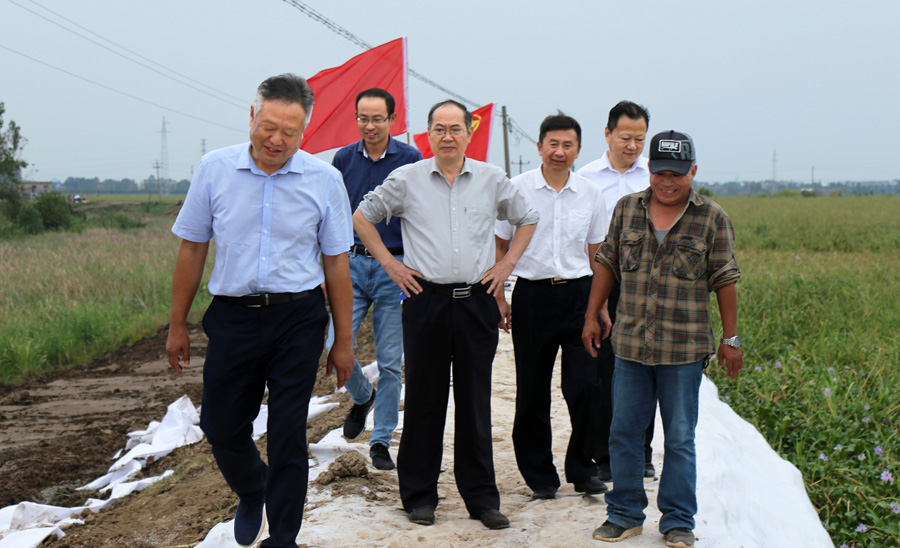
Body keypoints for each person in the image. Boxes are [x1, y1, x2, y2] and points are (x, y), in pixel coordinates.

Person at [165, 74, 355, 548]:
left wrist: (344, 341)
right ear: (251, 116)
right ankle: (253, 489)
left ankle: (283, 539)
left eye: (289, 132)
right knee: (221, 427)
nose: (276, 140)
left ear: (304, 130)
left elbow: (336, 262)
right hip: (233, 317)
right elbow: (192, 248)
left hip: (298, 318)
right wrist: (176, 324)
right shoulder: (214, 169)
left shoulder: (324, 180)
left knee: (288, 431)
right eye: (268, 127)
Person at [353, 100, 538, 530]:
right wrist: (391, 265)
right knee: (424, 400)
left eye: (456, 128)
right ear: (428, 134)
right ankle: (419, 497)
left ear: (469, 133)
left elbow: (528, 218)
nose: (448, 136)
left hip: (476, 301)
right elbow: (362, 218)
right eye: (439, 128)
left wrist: (507, 265)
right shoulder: (407, 179)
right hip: (425, 300)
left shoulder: (492, 179)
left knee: (475, 402)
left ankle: (481, 498)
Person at [582, 130, 743, 548]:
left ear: (693, 171)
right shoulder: (626, 209)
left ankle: (677, 520)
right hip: (631, 345)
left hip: (683, 350)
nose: (667, 182)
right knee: (623, 432)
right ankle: (624, 514)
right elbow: (607, 263)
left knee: (680, 438)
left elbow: (725, 279)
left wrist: (731, 338)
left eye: (677, 174)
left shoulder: (711, 218)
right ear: (649, 170)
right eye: (660, 173)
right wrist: (592, 314)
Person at [494, 114, 609, 501]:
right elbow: (500, 242)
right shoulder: (517, 189)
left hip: (580, 297)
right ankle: (539, 474)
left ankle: (583, 468)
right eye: (553, 144)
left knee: (587, 386)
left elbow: (597, 252)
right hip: (533, 297)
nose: (560, 152)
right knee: (532, 390)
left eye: (568, 145)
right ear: (540, 146)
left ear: (578, 150)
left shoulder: (591, 193)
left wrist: (600, 305)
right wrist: (500, 294)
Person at [332, 88, 422, 471]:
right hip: (350, 266)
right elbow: (335, 212)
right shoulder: (343, 159)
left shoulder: (410, 160)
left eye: (377, 119)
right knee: (334, 344)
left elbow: (420, 214)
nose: (370, 126)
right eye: (363, 119)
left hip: (394, 269)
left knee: (390, 361)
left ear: (392, 120)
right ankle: (362, 396)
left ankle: (381, 440)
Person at [577, 100, 657, 481]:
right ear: (607, 134)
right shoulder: (587, 178)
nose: (632, 146)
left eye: (640, 139)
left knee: (646, 366)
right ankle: (603, 455)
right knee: (601, 369)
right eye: (625, 137)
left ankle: (642, 452)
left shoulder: (654, 175)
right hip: (601, 280)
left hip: (645, 285)